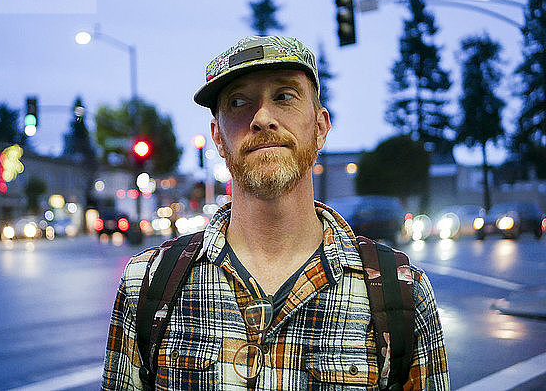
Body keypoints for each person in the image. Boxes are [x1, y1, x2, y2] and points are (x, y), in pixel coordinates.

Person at [102, 36, 450, 390]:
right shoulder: (146, 284)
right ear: (218, 138)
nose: (263, 118)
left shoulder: (401, 292)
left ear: (319, 128)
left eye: (284, 96)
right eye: (239, 102)